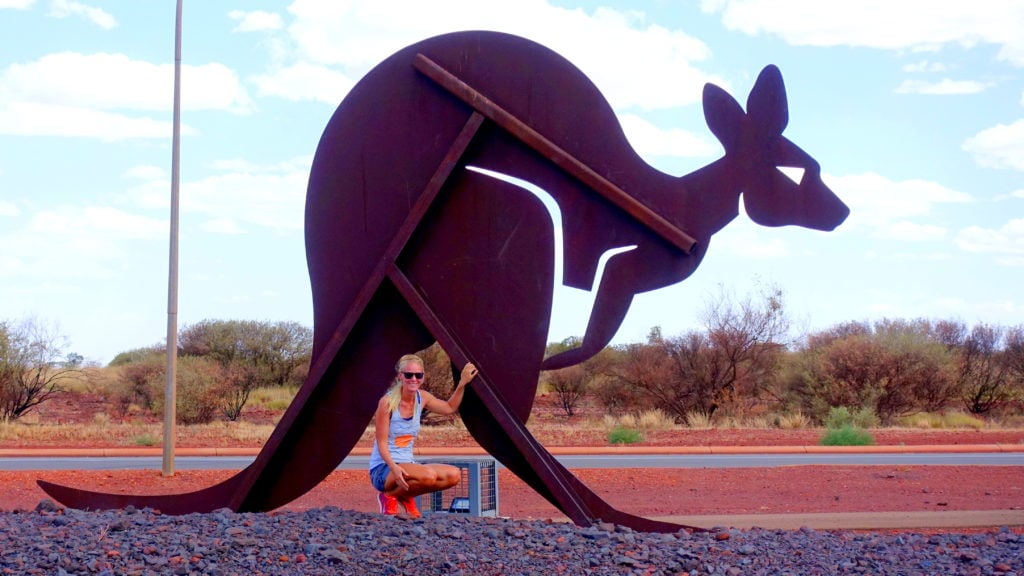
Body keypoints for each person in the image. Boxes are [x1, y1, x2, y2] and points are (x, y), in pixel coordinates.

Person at [368, 353, 478, 518]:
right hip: (383, 469)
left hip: (408, 465)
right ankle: (389, 496)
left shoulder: (422, 398)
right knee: (428, 476)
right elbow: (381, 443)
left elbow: (449, 407)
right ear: (400, 376)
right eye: (408, 375)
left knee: (453, 475)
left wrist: (462, 383)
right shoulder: (387, 403)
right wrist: (395, 468)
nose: (414, 379)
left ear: (423, 377)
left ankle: (404, 496)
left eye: (418, 375)